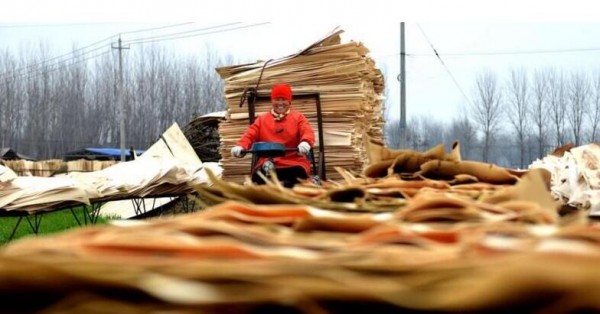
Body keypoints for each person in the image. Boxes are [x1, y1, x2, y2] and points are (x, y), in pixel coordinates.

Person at [231, 83, 315, 187]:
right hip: (268, 163)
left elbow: (307, 131)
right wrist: (241, 146)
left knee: (298, 177)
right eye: (277, 99)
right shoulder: (262, 119)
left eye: (283, 99)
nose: (280, 103)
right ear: (272, 100)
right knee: (257, 178)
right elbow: (250, 134)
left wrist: (305, 142)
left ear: (289, 101)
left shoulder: (298, 117)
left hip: (294, 161)